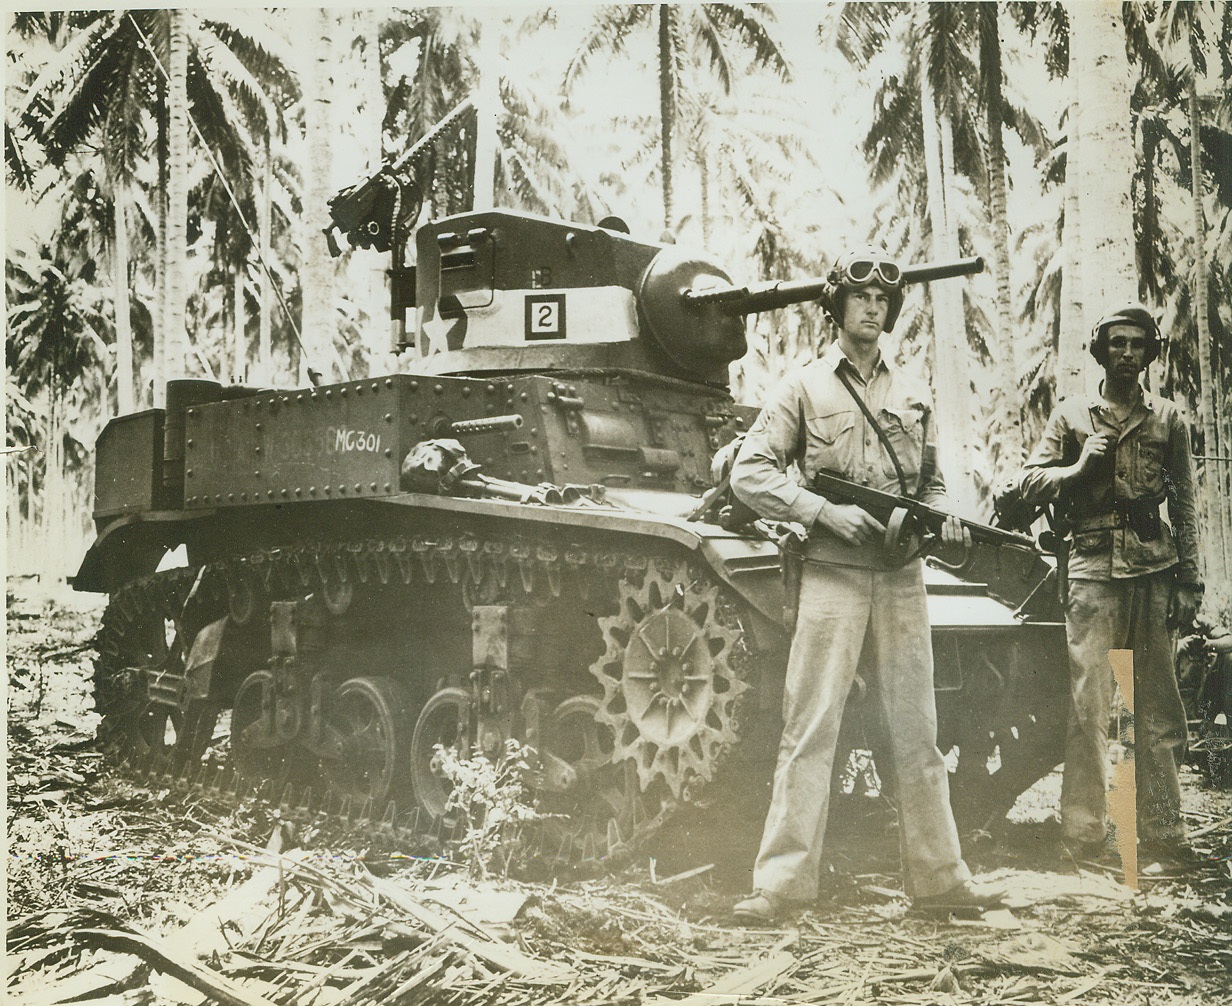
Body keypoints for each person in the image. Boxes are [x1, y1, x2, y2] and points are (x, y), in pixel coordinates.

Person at [728, 248, 1004, 921]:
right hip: (833, 575)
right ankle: (782, 885)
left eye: (883, 299)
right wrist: (823, 512)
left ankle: (939, 880)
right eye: (861, 298)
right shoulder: (803, 387)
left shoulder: (912, 393)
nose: (873, 307)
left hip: (902, 577)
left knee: (916, 729)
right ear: (838, 308)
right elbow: (749, 474)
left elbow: (932, 483)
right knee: (811, 725)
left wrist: (949, 524)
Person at [1014, 304, 1203, 865]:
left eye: (1137, 345)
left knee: (1160, 708)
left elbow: (1187, 507)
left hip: (1155, 573)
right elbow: (1027, 482)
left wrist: (1190, 580)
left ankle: (1165, 833)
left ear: (1150, 354)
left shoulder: (1169, 420)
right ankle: (1084, 835)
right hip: (1093, 573)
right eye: (1116, 343)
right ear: (1100, 352)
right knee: (1089, 707)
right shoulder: (1073, 416)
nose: (1127, 353)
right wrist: (1076, 470)